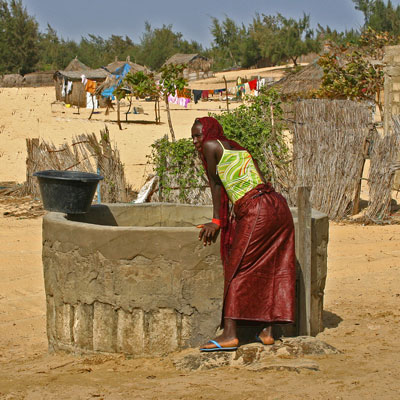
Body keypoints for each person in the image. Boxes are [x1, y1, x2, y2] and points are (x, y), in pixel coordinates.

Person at [191, 116, 296, 352]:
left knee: (237, 268)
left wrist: (217, 221)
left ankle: (229, 335)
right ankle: (267, 332)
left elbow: (216, 186)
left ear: (209, 133)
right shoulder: (237, 147)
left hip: (256, 208)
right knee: (273, 267)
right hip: (278, 206)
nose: (196, 141)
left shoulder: (211, 147)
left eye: (198, 135)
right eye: (194, 137)